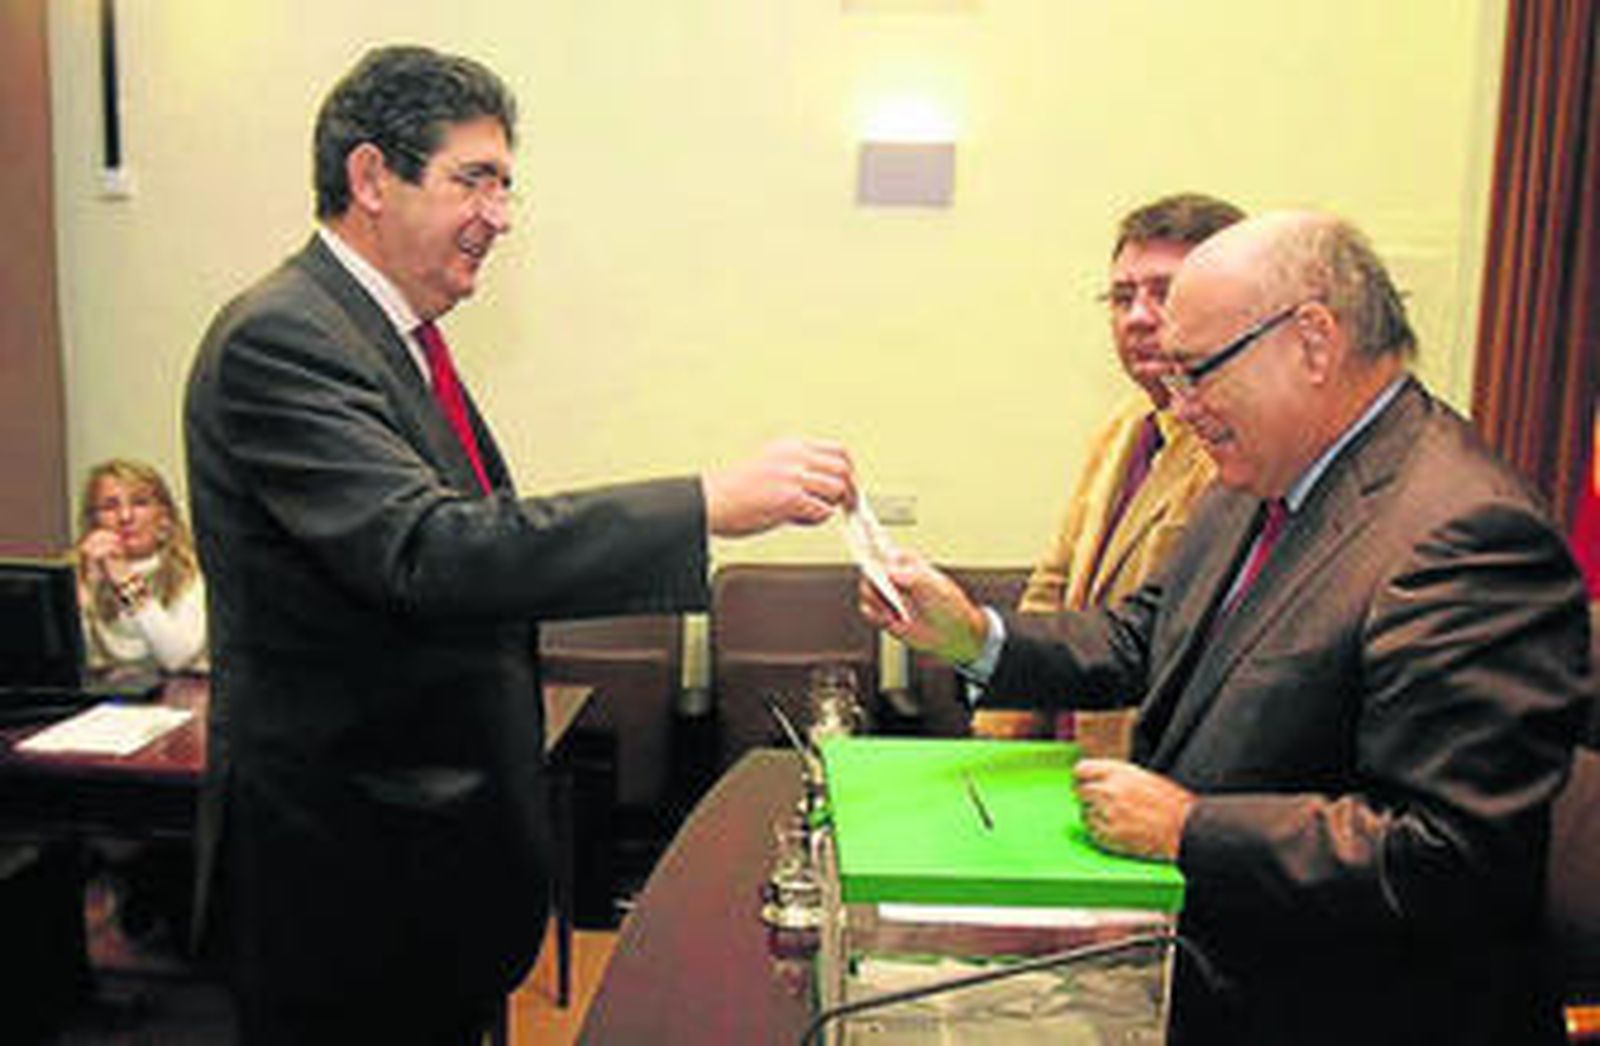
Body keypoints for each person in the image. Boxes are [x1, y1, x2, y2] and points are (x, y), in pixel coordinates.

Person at [184, 46, 855, 1044]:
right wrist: (703, 500)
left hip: (419, 867)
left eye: (506, 186)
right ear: (371, 177)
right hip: (343, 878)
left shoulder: (387, 339)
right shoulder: (281, 339)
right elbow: (428, 551)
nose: (499, 215)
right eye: (474, 179)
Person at [862, 212, 1590, 1045]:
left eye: (1198, 372)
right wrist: (974, 637)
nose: (1182, 405)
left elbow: (1450, 856)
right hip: (1198, 968)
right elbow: (1143, 640)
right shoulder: (1255, 475)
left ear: (1312, 341)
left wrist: (1188, 829)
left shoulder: (1468, 534)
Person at [978, 193, 1243, 752]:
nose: (1139, 317)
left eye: (1164, 294)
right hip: (1063, 756)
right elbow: (1054, 585)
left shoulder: (1240, 450)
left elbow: (1167, 635)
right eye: (1123, 297)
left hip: (1156, 768)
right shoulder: (1125, 427)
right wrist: (998, 738)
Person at [74, 458, 207, 674]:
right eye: (110, 507)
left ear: (164, 517)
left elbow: (176, 658)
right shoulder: (80, 574)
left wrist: (127, 581)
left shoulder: (193, 574)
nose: (125, 517)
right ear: (93, 521)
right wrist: (86, 588)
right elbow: (65, 661)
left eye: (139, 503)